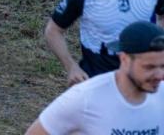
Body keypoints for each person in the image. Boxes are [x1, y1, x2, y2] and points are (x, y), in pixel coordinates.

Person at [26, 21, 164, 135]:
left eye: (163, 66)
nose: (160, 75)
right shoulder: (85, 97)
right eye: (149, 67)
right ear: (124, 59)